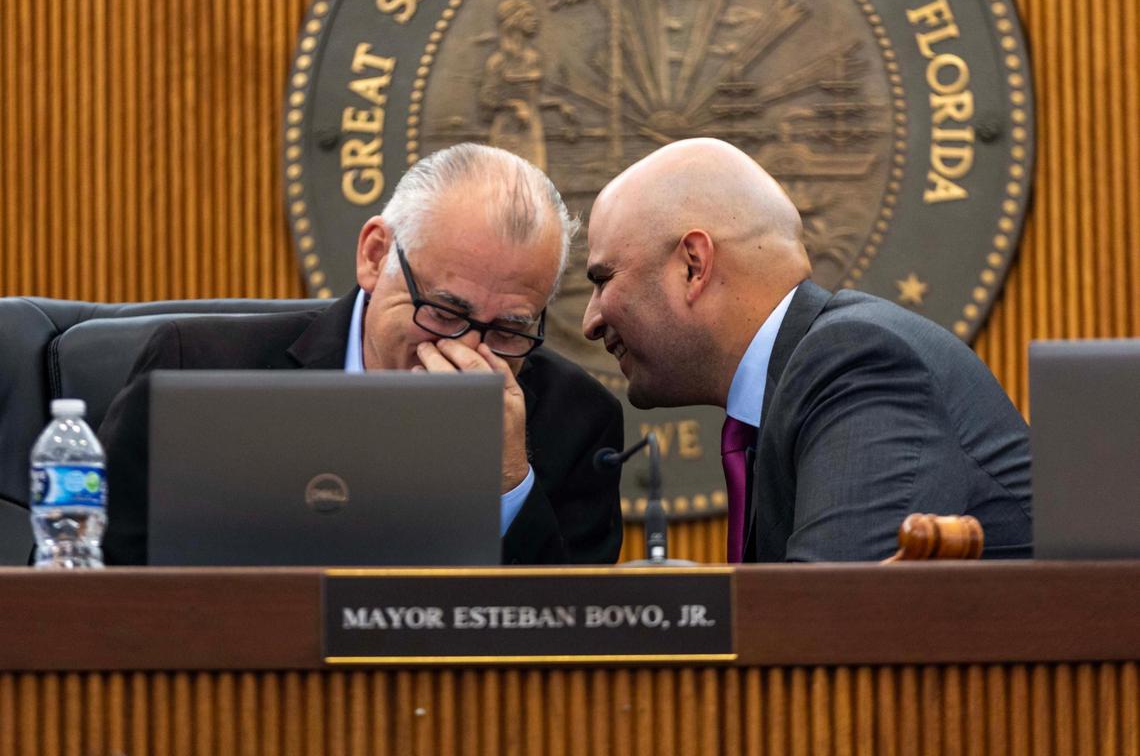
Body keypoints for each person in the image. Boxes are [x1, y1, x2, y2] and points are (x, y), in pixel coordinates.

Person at [100, 143, 623, 565]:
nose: (465, 349)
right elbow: (84, 592)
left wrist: (507, 482)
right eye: (443, 311)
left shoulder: (575, 421)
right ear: (375, 257)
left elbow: (570, 658)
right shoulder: (195, 369)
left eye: (508, 329)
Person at [580, 138, 1032, 562]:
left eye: (603, 280)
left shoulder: (856, 365)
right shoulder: (794, 385)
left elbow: (825, 626)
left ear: (693, 267)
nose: (590, 322)